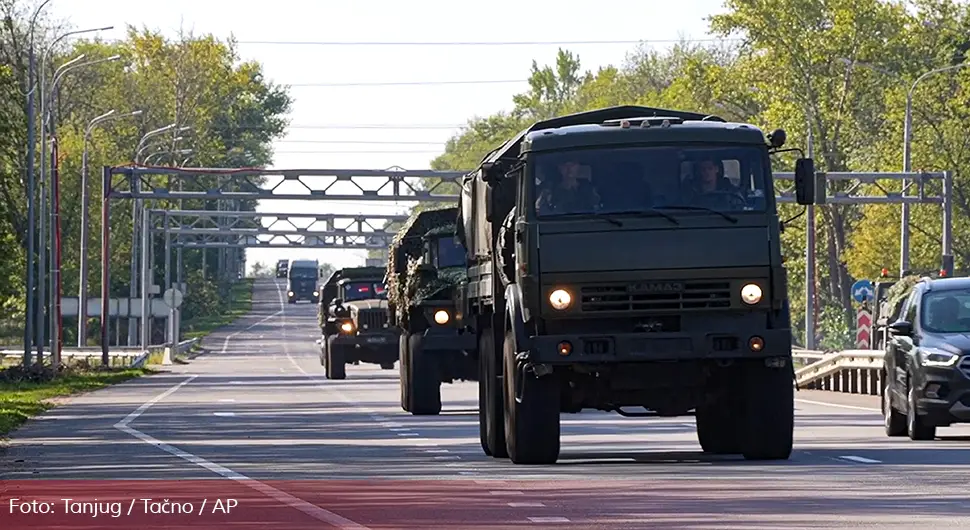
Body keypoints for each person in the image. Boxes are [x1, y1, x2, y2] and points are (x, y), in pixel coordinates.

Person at [535, 159, 601, 214]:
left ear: (578, 166)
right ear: (559, 167)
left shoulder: (588, 188)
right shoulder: (549, 190)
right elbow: (538, 210)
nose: (569, 169)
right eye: (565, 165)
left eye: (573, 165)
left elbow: (598, 209)